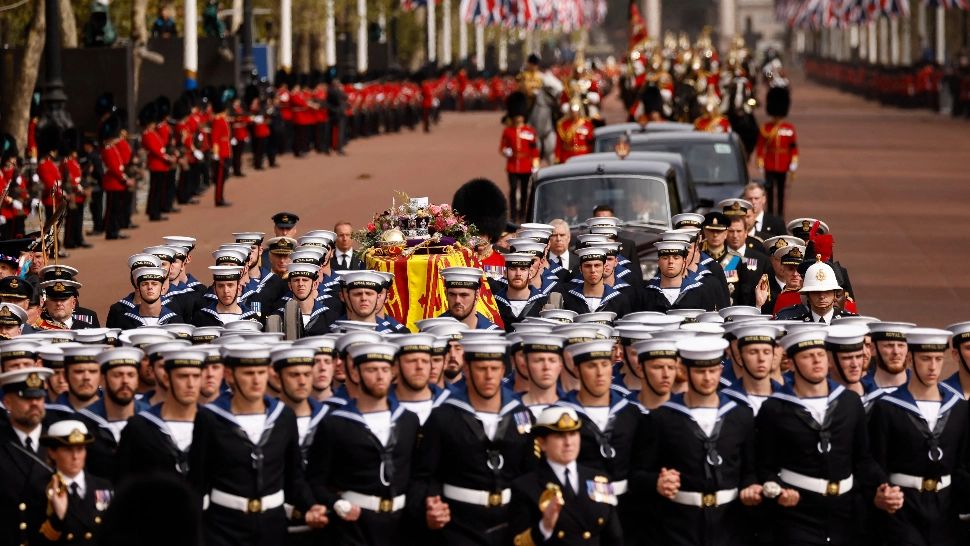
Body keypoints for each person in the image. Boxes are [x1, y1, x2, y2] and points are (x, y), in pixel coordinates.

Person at [188, 343, 328, 546]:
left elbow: (293, 477)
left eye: (261, 372)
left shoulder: (283, 416)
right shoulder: (210, 418)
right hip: (224, 527)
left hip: (273, 525)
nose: (256, 380)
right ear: (229, 375)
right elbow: (198, 481)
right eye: (248, 373)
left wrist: (311, 506)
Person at [756, 329, 879, 545]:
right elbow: (764, 465)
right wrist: (777, 489)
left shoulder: (849, 402)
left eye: (821, 355)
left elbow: (862, 458)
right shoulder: (774, 408)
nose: (816, 361)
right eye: (807, 356)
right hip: (797, 514)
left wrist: (882, 485)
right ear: (791, 364)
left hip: (845, 512)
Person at [635, 336, 759, 546]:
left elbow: (751, 469)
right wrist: (656, 481)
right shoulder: (661, 418)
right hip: (678, 527)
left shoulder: (740, 415)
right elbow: (637, 473)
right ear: (684, 371)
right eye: (700, 371)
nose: (708, 378)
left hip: (730, 526)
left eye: (713, 371)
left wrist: (751, 487)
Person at [411, 339, 536, 545]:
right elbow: (424, 475)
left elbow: (530, 473)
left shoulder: (521, 414)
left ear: (503, 369)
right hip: (459, 525)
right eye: (481, 368)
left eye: (494, 369)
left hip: (511, 523)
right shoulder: (443, 416)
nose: (489, 376)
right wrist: (430, 506)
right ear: (467, 369)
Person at [306, 341, 420, 545]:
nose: (379, 376)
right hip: (354, 525)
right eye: (371, 370)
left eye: (385, 369)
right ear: (356, 374)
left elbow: (417, 474)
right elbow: (316, 480)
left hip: (402, 524)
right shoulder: (335, 423)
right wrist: (337, 503)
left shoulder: (408, 420)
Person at [867, 328, 968, 546]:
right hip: (902, 507)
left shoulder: (958, 408)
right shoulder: (887, 407)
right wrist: (882, 490)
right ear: (910, 358)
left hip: (946, 509)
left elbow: (962, 464)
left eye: (938, 359)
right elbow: (875, 460)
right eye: (925, 359)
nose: (933, 367)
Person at [556, 338, 640, 530]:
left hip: (628, 509)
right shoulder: (560, 414)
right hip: (577, 509)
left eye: (605, 364)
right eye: (591, 366)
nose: (600, 373)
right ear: (577, 370)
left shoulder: (629, 413)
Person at [508, 406, 623, 546]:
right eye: (559, 436)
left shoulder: (599, 479)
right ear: (542, 443)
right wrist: (544, 527)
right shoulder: (526, 486)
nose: (568, 443)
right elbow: (518, 543)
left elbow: (614, 537)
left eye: (573, 434)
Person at [116, 347, 205, 481]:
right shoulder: (140, 426)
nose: (190, 384)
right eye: (182, 376)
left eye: (196, 376)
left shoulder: (214, 425)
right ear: (166, 379)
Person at [0, 367, 54, 546]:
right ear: (7, 402)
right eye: (26, 397)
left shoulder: (59, 444)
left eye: (39, 397)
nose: (34, 404)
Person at [37, 419, 114, 544]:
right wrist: (58, 518)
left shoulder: (103, 486)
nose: (75, 456)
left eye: (80, 449)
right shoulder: (41, 488)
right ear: (52, 453)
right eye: (68, 449)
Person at [642, 240, 721, 312]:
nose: (671, 262)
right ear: (658, 262)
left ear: (684, 263)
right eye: (665, 258)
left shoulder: (701, 291)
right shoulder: (646, 293)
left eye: (676, 258)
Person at [755, 87, 797, 216]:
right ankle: (770, 213)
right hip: (769, 163)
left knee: (781, 192)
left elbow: (793, 147)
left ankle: (780, 214)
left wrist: (793, 160)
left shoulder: (789, 128)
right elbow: (761, 146)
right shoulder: (766, 128)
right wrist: (760, 161)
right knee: (769, 191)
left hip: (783, 164)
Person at [500, 91, 540, 221]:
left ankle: (523, 214)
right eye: (517, 115)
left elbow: (534, 150)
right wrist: (506, 151)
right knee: (513, 190)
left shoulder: (530, 131)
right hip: (512, 164)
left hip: (526, 164)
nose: (519, 117)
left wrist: (535, 165)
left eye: (520, 115)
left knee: (524, 192)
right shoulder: (508, 131)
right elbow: (502, 147)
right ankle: (513, 214)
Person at [774, 261, 856, 323]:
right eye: (815, 292)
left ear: (835, 294)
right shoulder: (789, 320)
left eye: (827, 291)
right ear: (807, 295)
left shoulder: (850, 322)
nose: (821, 296)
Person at [561, 248, 630, 318]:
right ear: (580, 269)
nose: (593, 270)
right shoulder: (568, 299)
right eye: (587, 266)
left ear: (604, 267)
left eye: (597, 265)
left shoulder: (619, 300)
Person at [390, 334, 442, 425]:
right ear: (395, 366)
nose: (419, 367)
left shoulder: (449, 403)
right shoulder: (379, 406)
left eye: (425, 361)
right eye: (412, 361)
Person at [108, 267, 183, 329]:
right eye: (144, 284)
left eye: (154, 284)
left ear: (162, 289)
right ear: (138, 289)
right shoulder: (123, 321)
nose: (150, 287)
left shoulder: (176, 321)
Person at [492, 253, 547, 331]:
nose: (518, 274)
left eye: (523, 269)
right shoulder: (493, 303)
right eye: (513, 269)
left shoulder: (544, 302)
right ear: (505, 273)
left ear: (530, 274)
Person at [192, 266, 260, 327]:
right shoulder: (201, 317)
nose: (226, 290)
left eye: (230, 285)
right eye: (221, 286)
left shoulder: (252, 318)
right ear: (214, 289)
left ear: (239, 287)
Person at [518, 334, 565, 418]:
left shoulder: (573, 408)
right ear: (525, 366)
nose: (546, 367)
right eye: (538, 360)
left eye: (552, 360)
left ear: (560, 366)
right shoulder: (510, 408)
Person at [825, 325, 870, 396]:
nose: (855, 364)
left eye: (859, 356)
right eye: (847, 358)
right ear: (828, 360)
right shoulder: (821, 402)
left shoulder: (877, 395)